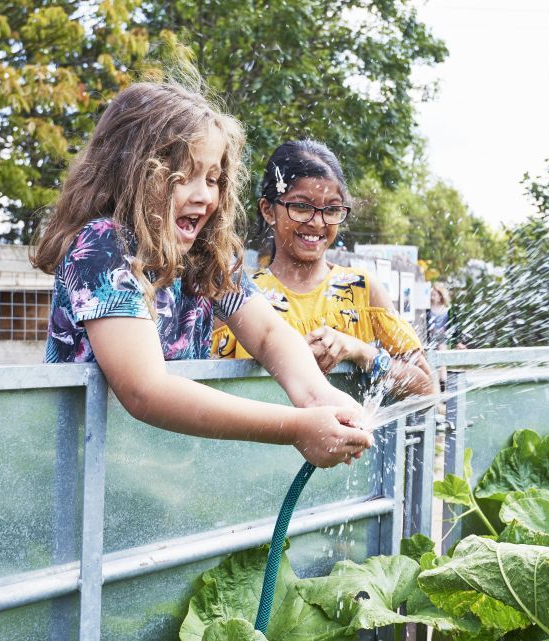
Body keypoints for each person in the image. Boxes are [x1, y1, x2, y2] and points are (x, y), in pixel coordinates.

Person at [32, 82, 371, 468]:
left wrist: (317, 396)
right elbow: (145, 390)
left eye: (212, 179)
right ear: (129, 174)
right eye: (182, 176)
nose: (204, 196)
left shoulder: (204, 257)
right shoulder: (105, 247)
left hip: (164, 476)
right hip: (87, 478)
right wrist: (294, 427)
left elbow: (267, 333)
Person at [211, 140, 436, 400]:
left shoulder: (362, 290)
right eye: (301, 207)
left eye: (331, 209)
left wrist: (361, 352)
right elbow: (212, 389)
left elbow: (426, 389)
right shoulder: (240, 299)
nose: (317, 222)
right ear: (268, 210)